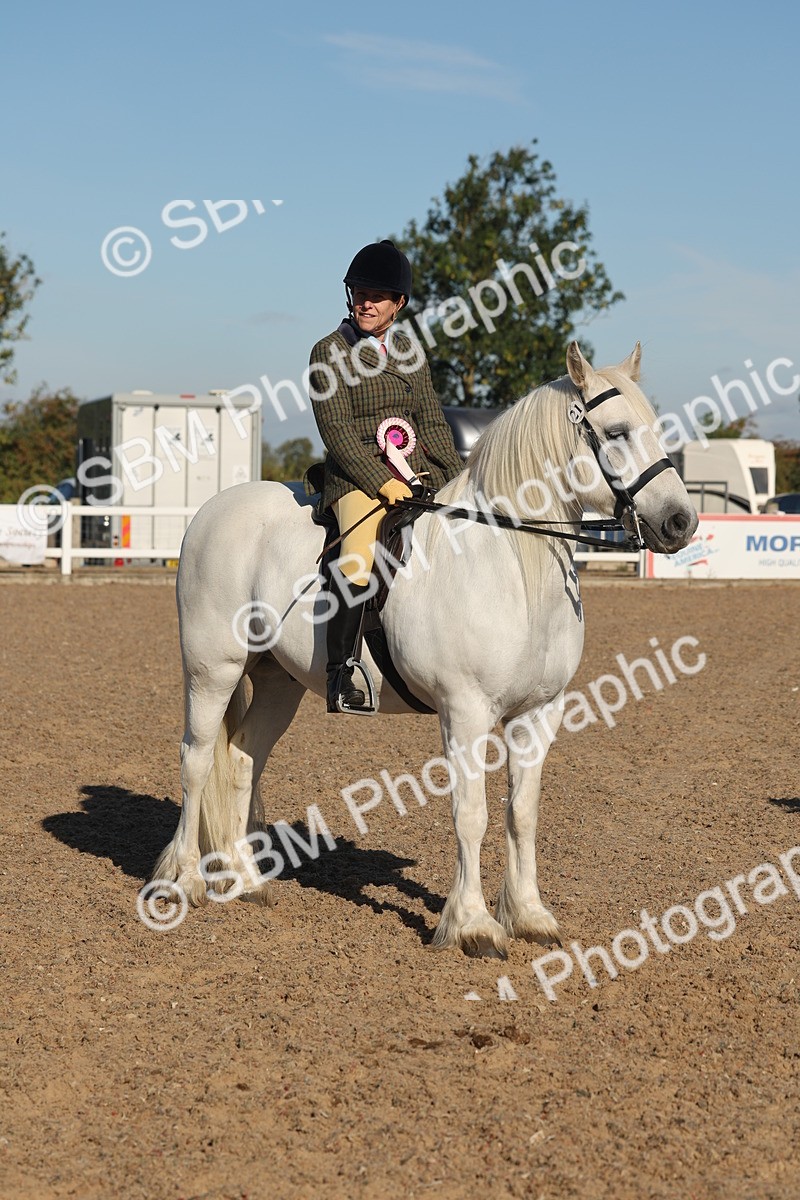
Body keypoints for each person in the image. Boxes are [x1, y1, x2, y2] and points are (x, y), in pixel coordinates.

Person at [305, 239, 464, 713]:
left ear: (399, 304)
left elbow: (432, 423)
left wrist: (459, 482)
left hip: (418, 472)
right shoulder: (328, 352)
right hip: (356, 479)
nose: (366, 302)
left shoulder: (411, 353)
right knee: (357, 554)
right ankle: (342, 672)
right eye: (359, 292)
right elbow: (335, 431)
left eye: (377, 295)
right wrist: (380, 481)